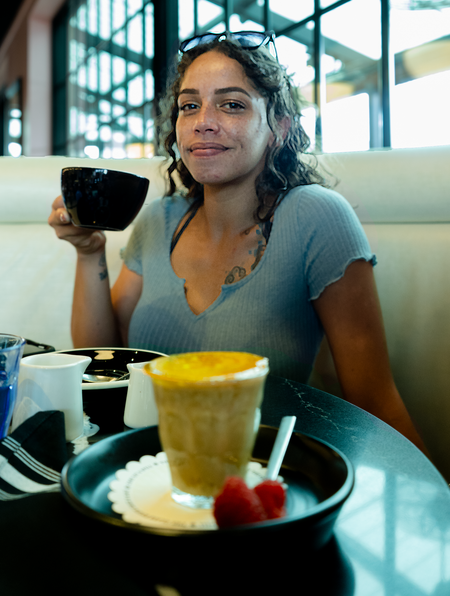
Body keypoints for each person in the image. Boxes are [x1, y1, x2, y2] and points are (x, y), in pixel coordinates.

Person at [48, 30, 427, 454]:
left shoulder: (316, 217)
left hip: (260, 474)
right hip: (142, 465)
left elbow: (372, 399)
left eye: (232, 104)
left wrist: (429, 506)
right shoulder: (158, 219)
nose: (203, 121)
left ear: (278, 129)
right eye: (189, 105)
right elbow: (104, 359)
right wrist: (88, 251)